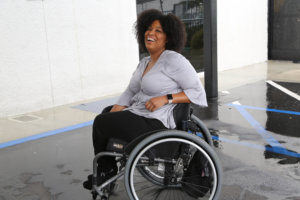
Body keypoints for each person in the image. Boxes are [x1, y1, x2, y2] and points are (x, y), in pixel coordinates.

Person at [83, 9, 207, 190]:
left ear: (168, 37)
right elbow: (130, 91)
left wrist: (166, 98)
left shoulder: (174, 60)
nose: (151, 33)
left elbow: (198, 93)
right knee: (107, 113)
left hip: (156, 122)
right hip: (142, 113)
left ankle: (105, 172)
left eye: (158, 31)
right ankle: (106, 170)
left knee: (101, 122)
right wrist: (117, 108)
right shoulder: (144, 62)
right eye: (149, 29)